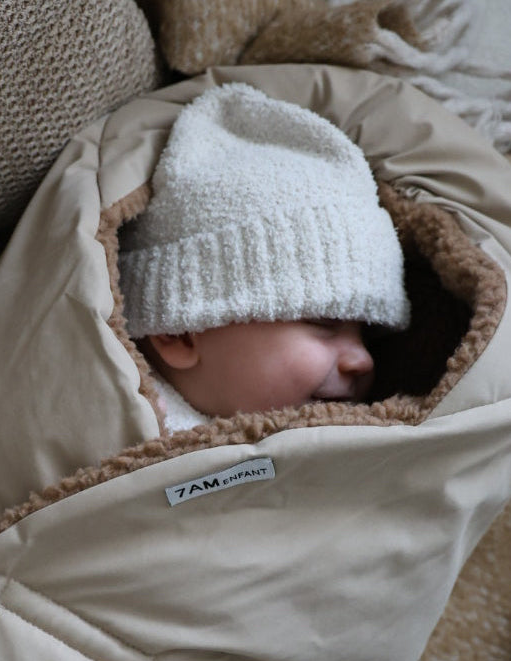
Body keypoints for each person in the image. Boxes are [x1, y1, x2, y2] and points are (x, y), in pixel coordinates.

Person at [117, 82, 411, 429]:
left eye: (366, 334)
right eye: (324, 322)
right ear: (180, 332)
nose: (363, 360)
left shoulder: (375, 433)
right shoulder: (126, 425)